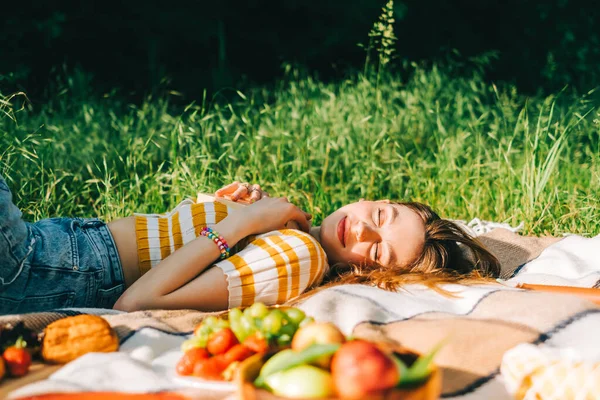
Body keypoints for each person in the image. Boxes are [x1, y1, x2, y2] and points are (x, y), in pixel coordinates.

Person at [0, 176, 498, 315]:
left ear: (368, 275)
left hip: (50, 270)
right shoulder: (293, 235)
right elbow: (180, 244)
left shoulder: (301, 257)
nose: (364, 230)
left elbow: (138, 301)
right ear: (372, 199)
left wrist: (237, 224)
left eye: (380, 251)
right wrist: (223, 212)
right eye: (381, 216)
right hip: (55, 249)